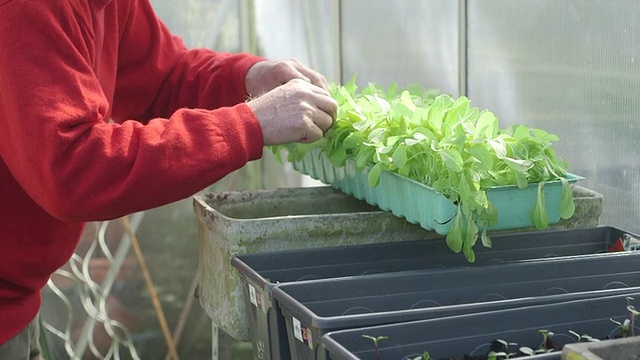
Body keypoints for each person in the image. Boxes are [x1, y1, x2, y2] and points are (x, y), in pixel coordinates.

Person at [0, 0, 338, 358]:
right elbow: (72, 170)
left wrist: (249, 77)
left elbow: (161, 78)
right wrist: (249, 124)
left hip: (17, 302)